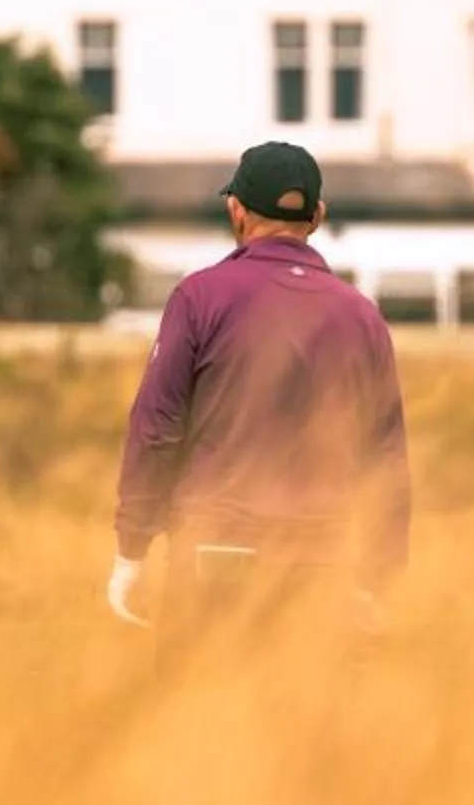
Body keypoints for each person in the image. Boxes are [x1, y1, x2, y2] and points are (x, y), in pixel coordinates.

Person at [108, 141, 412, 657]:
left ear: (237, 210)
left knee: (194, 716)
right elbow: (385, 459)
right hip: (321, 561)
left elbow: (156, 427)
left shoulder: (199, 298)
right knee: (303, 730)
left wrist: (132, 548)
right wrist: (375, 577)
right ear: (317, 216)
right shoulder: (362, 317)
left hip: (214, 550)